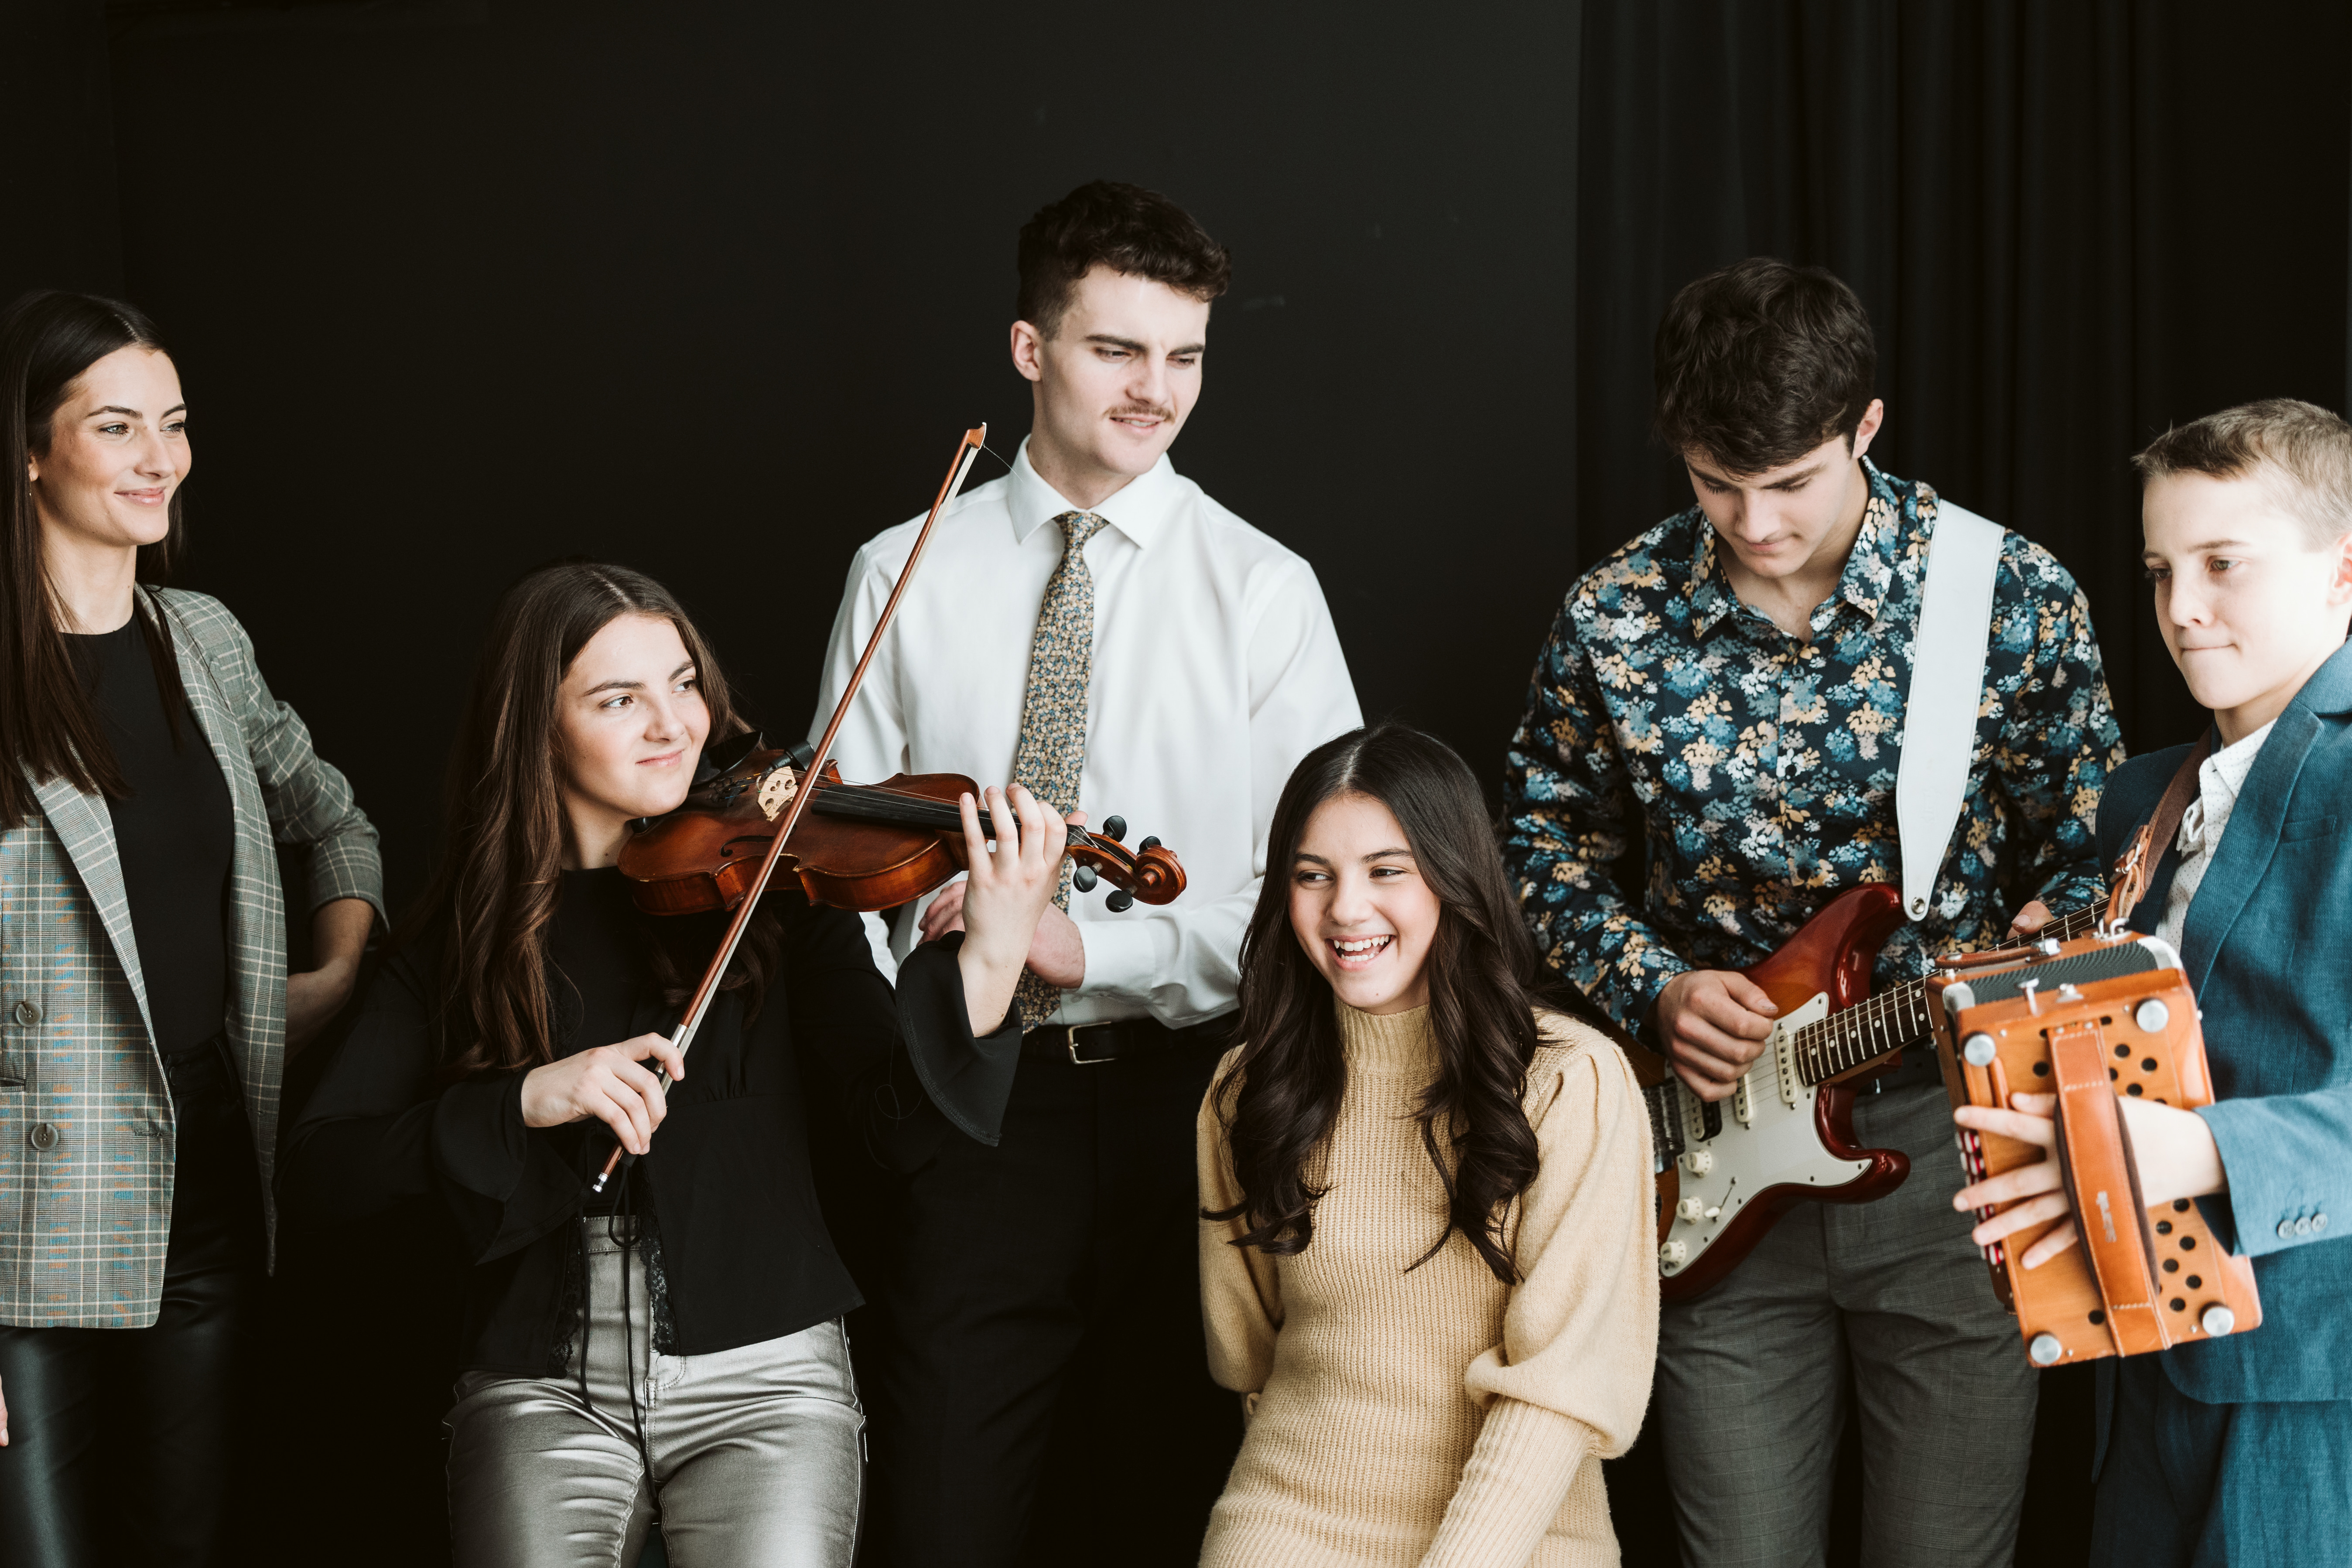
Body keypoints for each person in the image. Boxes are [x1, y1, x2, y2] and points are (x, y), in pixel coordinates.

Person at [1498, 257, 2126, 1567]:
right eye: (1714, 482)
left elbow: (2097, 857)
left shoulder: (2006, 596)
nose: (1754, 522)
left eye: (1790, 482)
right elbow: (1540, 843)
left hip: (1957, 1155)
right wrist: (1654, 986)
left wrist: (2026, 949)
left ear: (1866, 426)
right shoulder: (1613, 613)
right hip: (1703, 1159)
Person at [277, 562, 1066, 1568]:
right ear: (538, 727)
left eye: (684, 684)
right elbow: (319, 1169)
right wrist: (525, 1099)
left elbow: (898, 1135)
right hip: (539, 1387)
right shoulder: (462, 943)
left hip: (769, 1379)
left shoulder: (775, 901)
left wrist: (990, 958)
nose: (673, 725)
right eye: (619, 700)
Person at [811, 178, 1360, 1565]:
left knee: (1167, 1516)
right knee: (943, 1518)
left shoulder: (1264, 589)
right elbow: (834, 874)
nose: (1156, 391)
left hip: (1197, 1109)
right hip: (972, 1109)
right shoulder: (901, 570)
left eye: (1185, 356)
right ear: (1030, 347)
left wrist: (1093, 947)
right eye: (1117, 349)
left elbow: (1323, 903)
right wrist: (945, 1008)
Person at [0, 290, 383, 1565]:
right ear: (29, 448)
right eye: (117, 426)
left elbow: (335, 817)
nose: (160, 457)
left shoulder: (203, 637)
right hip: (19, 1224)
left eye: (172, 423)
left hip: (206, 1179)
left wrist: (333, 970)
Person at [1954, 398, 2352, 1568]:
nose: (2181, 608)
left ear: (2343, 570)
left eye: (2223, 563)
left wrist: (2203, 1152)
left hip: (2315, 1391)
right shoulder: (2143, 795)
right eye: (2160, 569)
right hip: (2142, 1355)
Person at [1197, 724, 1656, 1568]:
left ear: (1452, 875)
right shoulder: (1246, 1087)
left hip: (1526, 1539)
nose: (1344, 908)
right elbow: (1249, 1359)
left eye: (1386, 871)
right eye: (1312, 875)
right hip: (1286, 1523)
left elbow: (1561, 1386)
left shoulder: (1570, 1080)